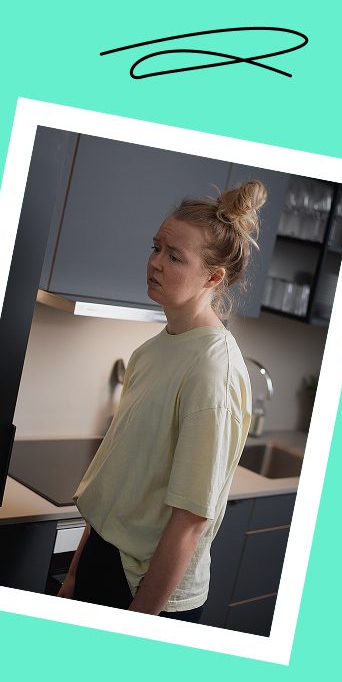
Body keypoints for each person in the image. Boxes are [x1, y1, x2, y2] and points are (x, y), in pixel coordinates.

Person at [58, 182, 268, 621]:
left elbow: (190, 521)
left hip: (147, 588)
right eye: (156, 247)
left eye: (175, 257)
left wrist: (140, 618)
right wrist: (74, 575)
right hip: (105, 557)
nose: (155, 263)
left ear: (213, 277)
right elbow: (116, 484)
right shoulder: (155, 348)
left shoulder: (214, 371)